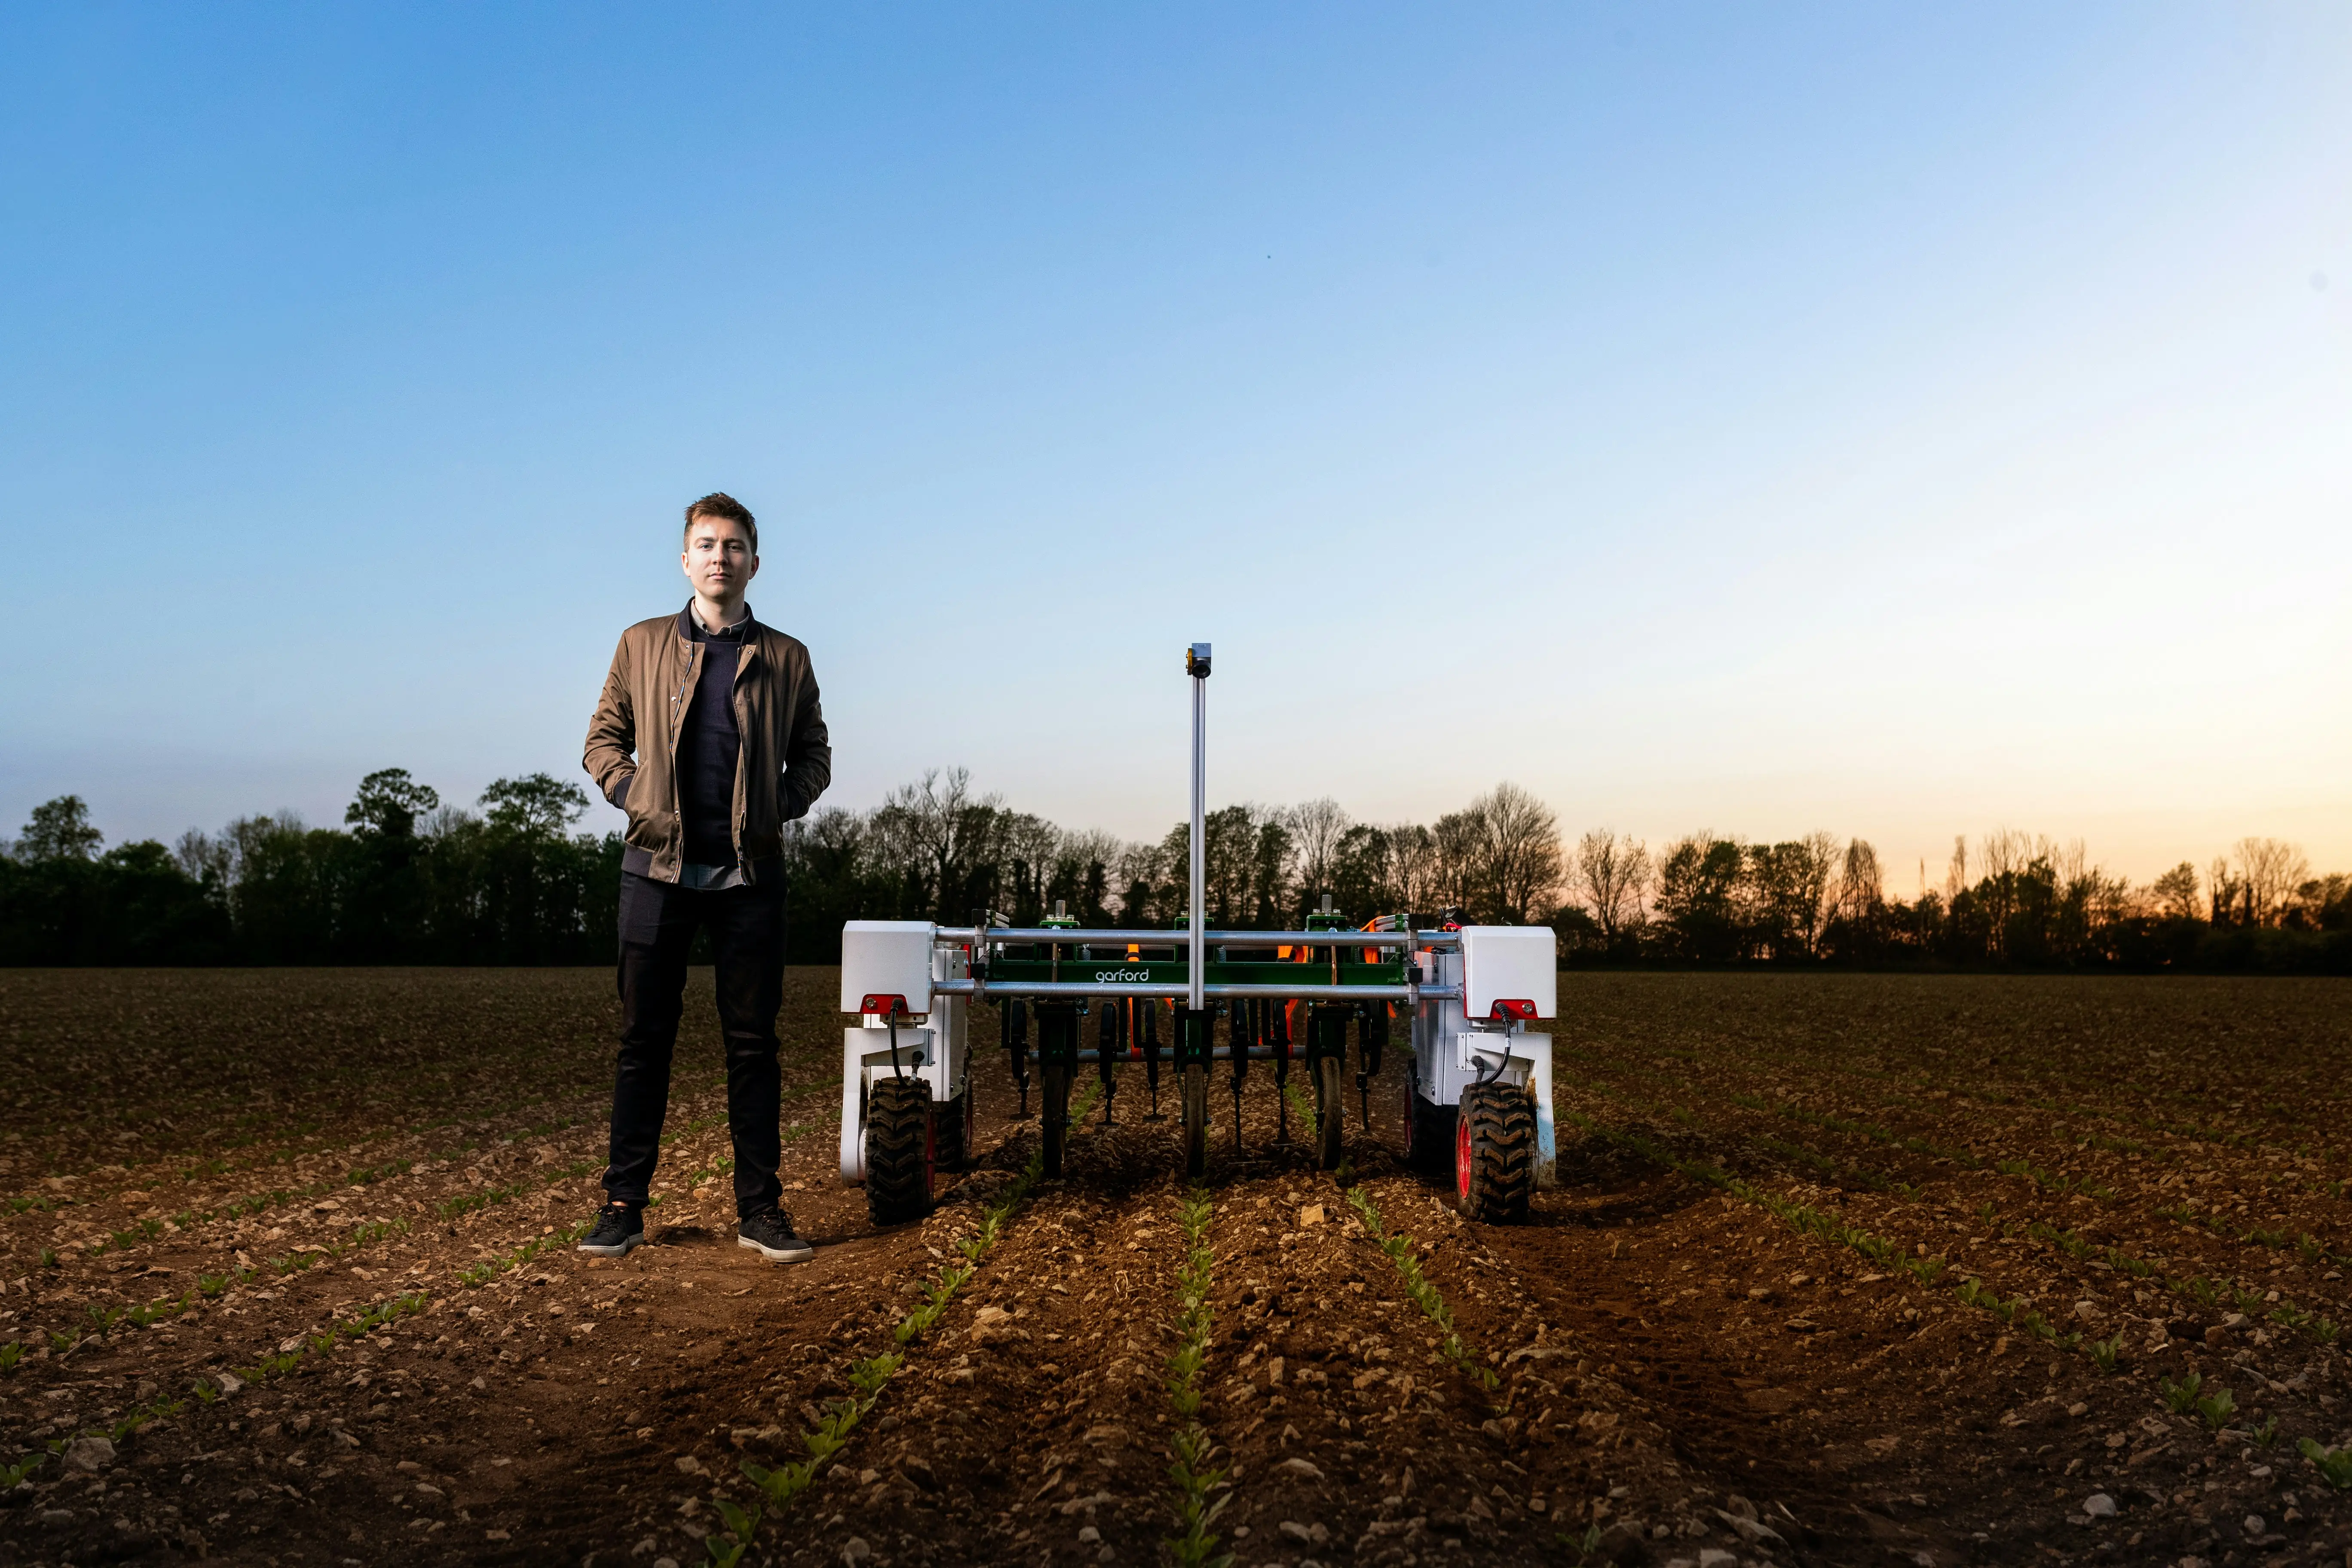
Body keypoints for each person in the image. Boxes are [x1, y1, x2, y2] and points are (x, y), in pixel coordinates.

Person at [576, 492, 830, 1263]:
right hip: (656, 872)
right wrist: (639, 797)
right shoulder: (641, 642)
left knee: (753, 1046)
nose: (721, 557)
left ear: (755, 562)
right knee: (642, 1043)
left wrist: (770, 810)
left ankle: (761, 1212)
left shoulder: (787, 657)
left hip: (751, 878)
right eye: (707, 545)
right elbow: (601, 742)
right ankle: (622, 1208)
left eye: (735, 546)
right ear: (686, 559)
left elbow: (814, 757)